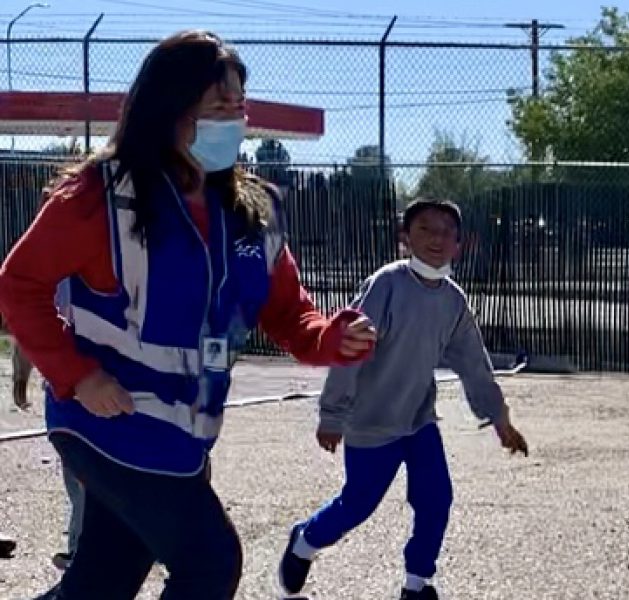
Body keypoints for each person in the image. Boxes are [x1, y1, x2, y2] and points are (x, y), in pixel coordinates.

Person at [0, 30, 377, 599]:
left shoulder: (252, 212)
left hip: (181, 438)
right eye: (218, 106)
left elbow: (287, 312)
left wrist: (330, 337)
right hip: (103, 424)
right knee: (210, 562)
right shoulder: (102, 195)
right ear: (169, 108)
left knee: (103, 578)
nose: (234, 121)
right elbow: (19, 284)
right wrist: (78, 376)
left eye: (239, 107)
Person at [277, 198, 530, 600]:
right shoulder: (386, 285)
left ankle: (416, 584)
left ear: (459, 245)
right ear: (405, 238)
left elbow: (473, 363)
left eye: (447, 231)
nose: (437, 238)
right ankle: (304, 542)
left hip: (418, 420)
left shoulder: (453, 300)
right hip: (372, 422)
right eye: (425, 228)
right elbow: (349, 348)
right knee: (357, 505)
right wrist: (333, 415)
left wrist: (499, 418)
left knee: (436, 498)